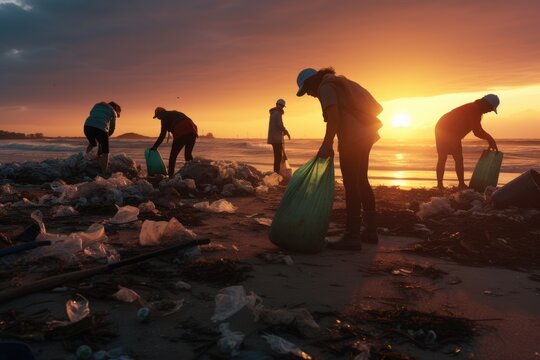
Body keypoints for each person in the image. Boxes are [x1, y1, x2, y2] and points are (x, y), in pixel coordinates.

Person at [296, 67, 383, 250]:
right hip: (366, 133)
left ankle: (352, 236)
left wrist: (327, 144)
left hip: (353, 137)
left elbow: (334, 117)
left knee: (351, 184)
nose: (309, 95)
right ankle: (370, 231)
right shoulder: (337, 82)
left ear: (313, 81)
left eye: (307, 90)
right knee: (361, 181)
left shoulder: (325, 87)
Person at [435, 94, 500, 189]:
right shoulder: (474, 110)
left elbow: (476, 130)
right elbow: (477, 131)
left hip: (448, 129)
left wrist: (489, 139)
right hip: (445, 128)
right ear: (486, 104)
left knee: (456, 159)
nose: (490, 111)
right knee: (445, 157)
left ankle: (458, 184)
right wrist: (490, 139)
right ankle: (441, 185)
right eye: (490, 108)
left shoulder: (476, 109)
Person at [150, 107, 198, 176]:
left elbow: (162, 134)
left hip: (181, 130)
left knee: (173, 157)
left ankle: (170, 176)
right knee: (188, 155)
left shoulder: (164, 117)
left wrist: (155, 147)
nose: (158, 118)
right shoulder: (176, 112)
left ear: (161, 113)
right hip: (192, 131)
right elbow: (190, 121)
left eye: (157, 116)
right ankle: (194, 174)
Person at [83, 101, 121, 175]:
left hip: (87, 126)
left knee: (93, 143)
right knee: (105, 152)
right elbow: (112, 128)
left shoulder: (97, 105)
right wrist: (106, 137)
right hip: (100, 129)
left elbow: (92, 114)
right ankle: (104, 173)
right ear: (116, 108)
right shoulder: (113, 111)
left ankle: (84, 159)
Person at [267, 98, 291, 173]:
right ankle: (276, 173)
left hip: (273, 138)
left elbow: (276, 125)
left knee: (277, 157)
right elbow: (279, 124)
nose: (282, 108)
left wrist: (282, 132)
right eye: (282, 106)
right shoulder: (277, 113)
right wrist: (285, 131)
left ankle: (276, 172)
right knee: (278, 158)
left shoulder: (273, 113)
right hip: (276, 139)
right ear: (279, 105)